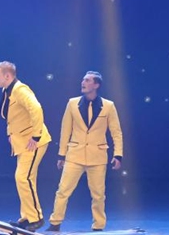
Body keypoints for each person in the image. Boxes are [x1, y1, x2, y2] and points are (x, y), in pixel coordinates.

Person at [45, 71, 123, 233]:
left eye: (87, 80)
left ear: (96, 85)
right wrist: (62, 154)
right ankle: (55, 222)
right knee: (63, 190)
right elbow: (65, 130)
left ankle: (98, 226)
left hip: (97, 156)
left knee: (98, 194)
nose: (83, 82)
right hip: (75, 154)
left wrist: (118, 154)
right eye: (83, 80)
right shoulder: (72, 103)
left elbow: (116, 132)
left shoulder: (108, 106)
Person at [0, 61, 51, 231]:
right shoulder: (8, 91)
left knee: (23, 177)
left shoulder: (20, 89)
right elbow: (13, 117)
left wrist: (36, 135)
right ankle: (27, 217)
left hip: (33, 142)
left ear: (7, 76)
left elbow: (36, 108)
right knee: (25, 179)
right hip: (23, 142)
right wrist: (11, 135)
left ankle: (36, 218)